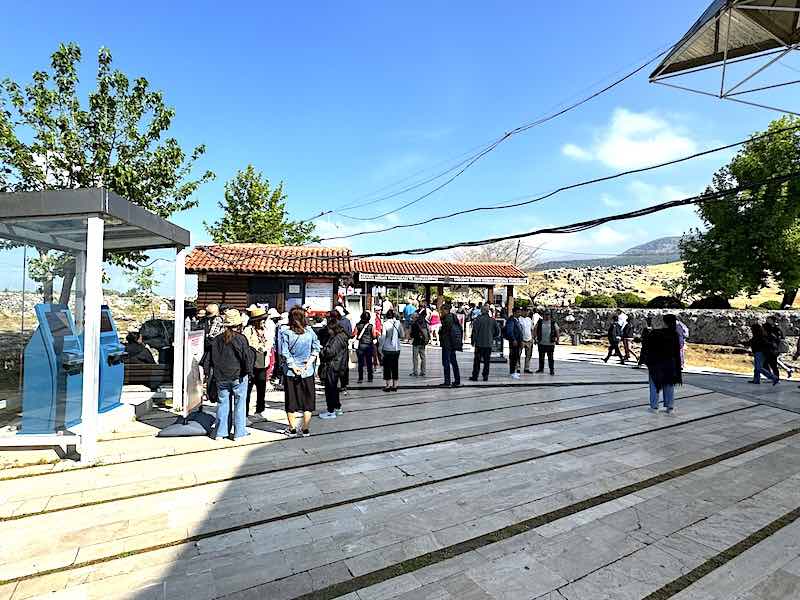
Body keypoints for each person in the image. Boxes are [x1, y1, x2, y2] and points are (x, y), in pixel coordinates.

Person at [209, 309, 252, 440]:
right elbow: (246, 358)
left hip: (221, 376)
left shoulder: (216, 339)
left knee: (223, 404)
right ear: (238, 324)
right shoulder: (241, 339)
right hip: (238, 375)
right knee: (240, 404)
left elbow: (213, 359)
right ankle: (239, 433)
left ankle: (221, 433)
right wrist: (248, 373)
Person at [279, 306, 321, 437]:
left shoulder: (286, 333)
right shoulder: (310, 332)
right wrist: (308, 364)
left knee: (291, 400)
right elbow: (316, 348)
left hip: (291, 372)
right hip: (307, 371)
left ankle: (292, 429)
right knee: (308, 401)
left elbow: (284, 352)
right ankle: (305, 429)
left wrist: (292, 366)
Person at [646, 314, 683, 413]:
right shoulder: (674, 334)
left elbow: (648, 347)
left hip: (656, 364)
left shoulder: (655, 333)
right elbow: (677, 352)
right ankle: (670, 407)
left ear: (664, 322)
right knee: (669, 385)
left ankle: (654, 407)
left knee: (654, 385)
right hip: (669, 364)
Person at [242, 307, 273, 416]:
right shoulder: (248, 330)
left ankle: (260, 409)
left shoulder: (266, 330)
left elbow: (270, 342)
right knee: (248, 390)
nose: (263, 321)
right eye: (261, 319)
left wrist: (265, 347)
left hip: (263, 363)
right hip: (252, 364)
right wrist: (257, 347)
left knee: (261, 388)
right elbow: (246, 344)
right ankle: (245, 412)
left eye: (264, 319)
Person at [319, 321, 349, 419]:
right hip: (338, 365)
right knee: (334, 388)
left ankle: (331, 410)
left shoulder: (337, 339)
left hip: (332, 365)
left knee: (330, 388)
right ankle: (337, 407)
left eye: (329, 330)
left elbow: (330, 352)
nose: (328, 332)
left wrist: (322, 350)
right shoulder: (342, 337)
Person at [470, 305, 499, 382]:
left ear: (482, 311)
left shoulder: (478, 320)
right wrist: (492, 337)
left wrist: (473, 341)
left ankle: (475, 376)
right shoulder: (492, 320)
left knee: (477, 361)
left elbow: (474, 332)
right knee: (487, 361)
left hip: (479, 344)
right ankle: (485, 376)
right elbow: (498, 331)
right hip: (488, 344)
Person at [378, 309, 404, 392]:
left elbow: (383, 336)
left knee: (387, 367)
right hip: (396, 348)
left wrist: (380, 347)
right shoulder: (398, 323)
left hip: (387, 348)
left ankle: (388, 385)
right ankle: (395, 385)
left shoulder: (385, 324)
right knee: (395, 366)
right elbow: (402, 335)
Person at [439, 303, 463, 388]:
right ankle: (457, 380)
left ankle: (447, 381)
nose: (440, 312)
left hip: (447, 344)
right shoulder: (454, 317)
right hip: (453, 343)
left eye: (442, 310)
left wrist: (440, 330)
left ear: (446, 310)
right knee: (454, 362)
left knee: (446, 362)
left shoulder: (447, 319)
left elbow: (444, 332)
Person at [534, 310, 560, 375]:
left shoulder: (553, 323)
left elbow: (557, 331)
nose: (547, 316)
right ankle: (541, 369)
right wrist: (534, 338)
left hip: (550, 343)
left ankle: (551, 370)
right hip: (541, 343)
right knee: (541, 357)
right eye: (546, 314)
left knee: (550, 358)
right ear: (543, 315)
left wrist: (557, 339)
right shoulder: (540, 322)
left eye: (548, 315)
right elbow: (535, 329)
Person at [354, 311, 375, 383]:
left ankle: (360, 378)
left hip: (361, 345)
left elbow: (354, 334)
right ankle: (370, 377)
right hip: (369, 345)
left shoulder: (358, 325)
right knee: (369, 362)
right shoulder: (371, 326)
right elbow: (374, 335)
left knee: (360, 363)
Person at [504, 307, 524, 379]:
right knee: (513, 357)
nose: (520, 313)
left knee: (516, 357)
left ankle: (514, 371)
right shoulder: (511, 320)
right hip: (514, 341)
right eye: (518, 312)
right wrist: (513, 339)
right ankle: (512, 372)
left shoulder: (517, 320)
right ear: (515, 312)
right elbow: (510, 331)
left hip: (518, 341)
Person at [409, 311, 430, 377]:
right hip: (423, 342)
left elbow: (412, 335)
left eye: (412, 318)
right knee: (423, 357)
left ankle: (415, 372)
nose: (412, 319)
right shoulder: (424, 323)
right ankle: (423, 371)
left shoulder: (414, 324)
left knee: (415, 358)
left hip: (416, 343)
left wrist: (410, 335)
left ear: (415, 317)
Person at [519, 309, 535, 374]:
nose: (526, 313)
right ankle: (518, 367)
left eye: (527, 312)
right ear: (522, 312)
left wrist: (533, 338)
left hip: (529, 339)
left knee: (528, 355)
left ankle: (527, 368)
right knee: (518, 354)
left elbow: (532, 329)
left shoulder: (529, 319)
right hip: (522, 340)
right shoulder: (519, 319)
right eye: (524, 311)